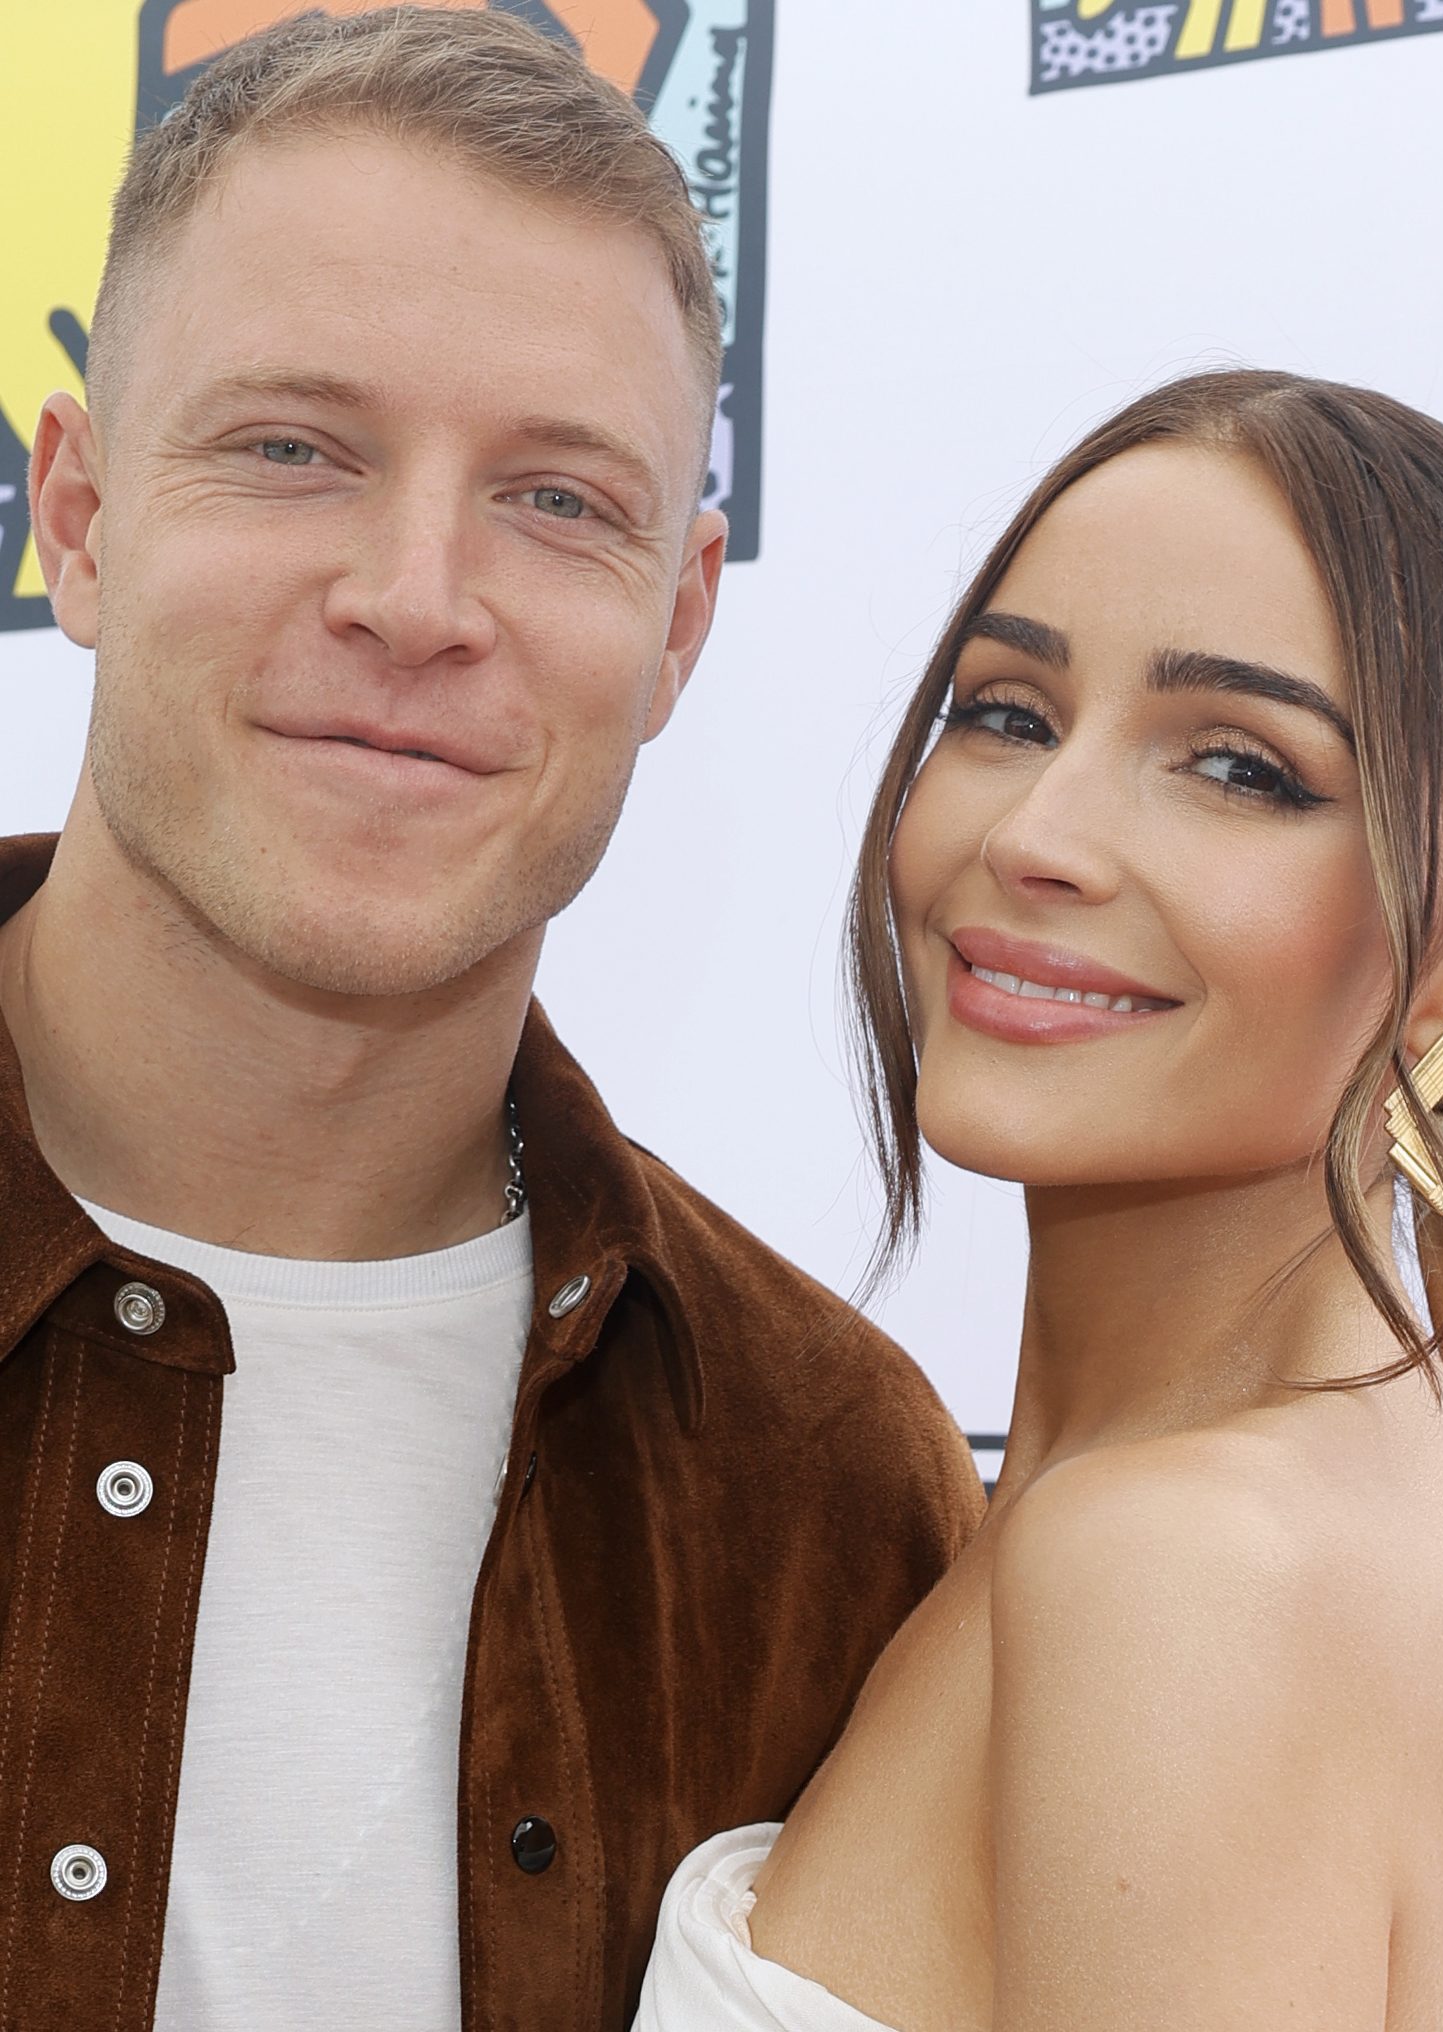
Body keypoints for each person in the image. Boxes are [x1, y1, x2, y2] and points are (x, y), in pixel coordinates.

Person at [0, 11, 985, 2030]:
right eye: (294, 449)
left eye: (555, 500)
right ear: (78, 521)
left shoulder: (826, 1487)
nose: (419, 595)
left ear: (677, 626)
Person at [634, 369, 1443, 2030]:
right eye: (1009, 714)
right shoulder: (1295, 1513)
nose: (1038, 836)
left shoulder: (1191, 1573)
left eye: (1240, 767)